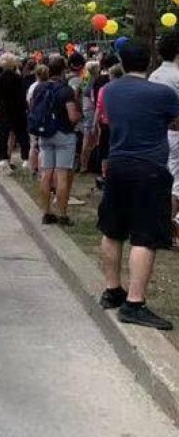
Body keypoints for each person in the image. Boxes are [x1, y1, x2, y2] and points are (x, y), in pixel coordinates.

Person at [98, 39, 179, 330]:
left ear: (121, 60)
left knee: (113, 230)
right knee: (145, 237)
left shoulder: (110, 90)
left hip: (118, 164)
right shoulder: (163, 93)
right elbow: (175, 123)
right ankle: (134, 303)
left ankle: (112, 289)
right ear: (149, 62)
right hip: (150, 169)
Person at [32, 57, 82, 226]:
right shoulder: (66, 90)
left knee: (46, 174)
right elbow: (72, 115)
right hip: (64, 134)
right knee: (62, 175)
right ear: (63, 70)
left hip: (45, 133)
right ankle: (62, 214)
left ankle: (46, 212)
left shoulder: (39, 88)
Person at [149, 31, 179, 225]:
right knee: (176, 180)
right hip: (175, 132)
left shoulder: (155, 75)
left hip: (157, 133)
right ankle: (169, 222)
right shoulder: (176, 76)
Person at [0, 55, 30, 171]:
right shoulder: (19, 78)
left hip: (3, 110)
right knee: (22, 134)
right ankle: (26, 158)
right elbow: (23, 95)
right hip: (18, 110)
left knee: (3, 134)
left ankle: (4, 159)